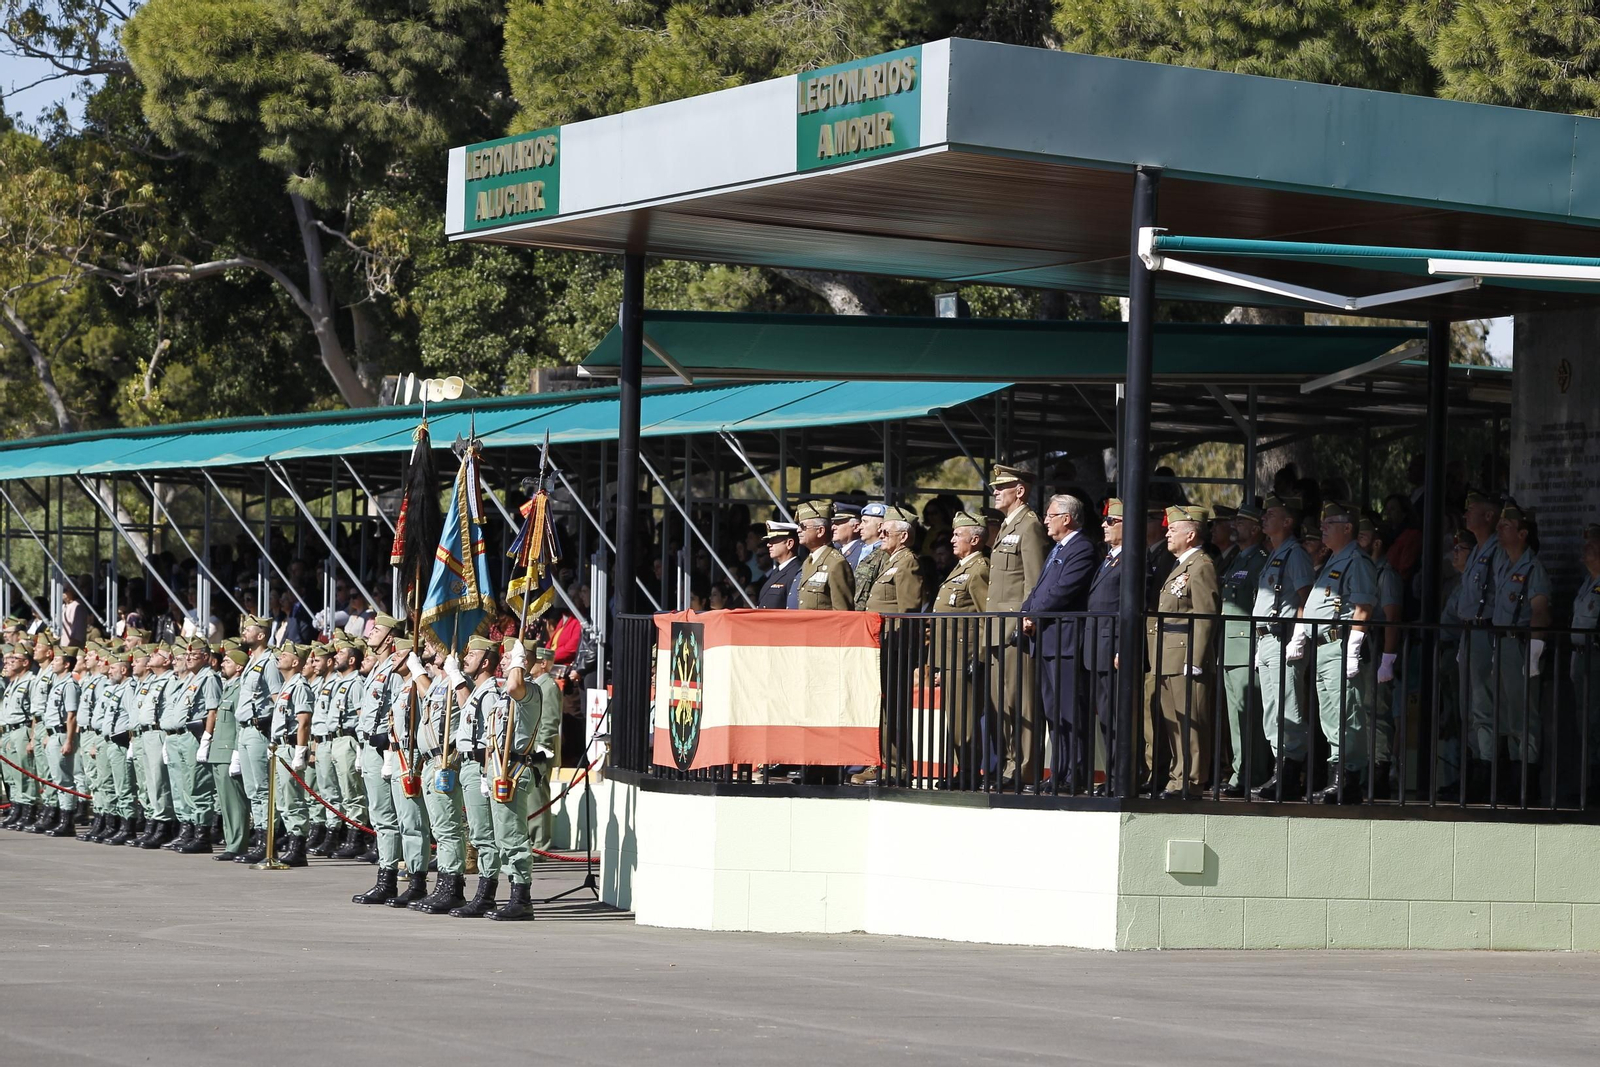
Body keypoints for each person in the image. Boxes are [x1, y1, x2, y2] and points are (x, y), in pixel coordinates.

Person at [1291, 501, 1377, 804]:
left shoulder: (1357, 561)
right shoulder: (1333, 560)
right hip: (1324, 647)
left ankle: (1348, 778)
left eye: (1330, 523)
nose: (1323, 528)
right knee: (1330, 714)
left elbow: (1362, 607)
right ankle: (1335, 776)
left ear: (1348, 528)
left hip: (1341, 644)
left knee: (1346, 712)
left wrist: (1354, 649)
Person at [1020, 494, 1095, 792]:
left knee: (1069, 711)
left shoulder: (1082, 548)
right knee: (1053, 712)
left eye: (1050, 515)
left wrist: (1034, 614)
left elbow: (1064, 590)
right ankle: (1059, 772)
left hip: (1064, 640)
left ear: (1067, 518)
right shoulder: (1057, 549)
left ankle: (1074, 774)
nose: (1045, 520)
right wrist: (1026, 611)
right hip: (1046, 639)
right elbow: (1039, 589)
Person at [482, 637, 559, 921]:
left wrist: (518, 663)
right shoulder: (503, 693)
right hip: (498, 767)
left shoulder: (532, 689)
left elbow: (516, 685)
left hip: (514, 770)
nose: (502, 662)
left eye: (508, 658)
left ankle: (521, 897)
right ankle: (513, 892)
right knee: (502, 836)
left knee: (513, 837)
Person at [985, 465, 1050, 788]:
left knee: (1020, 701)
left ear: (1020, 491)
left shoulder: (1029, 526)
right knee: (1003, 703)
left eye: (1002, 487)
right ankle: (1010, 763)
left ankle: (1024, 768)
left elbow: (1034, 580)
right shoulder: (1010, 526)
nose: (995, 492)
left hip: (1015, 628)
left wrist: (1027, 618)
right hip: (997, 628)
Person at [1147, 505, 1219, 798]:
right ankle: (1178, 776)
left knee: (1190, 721)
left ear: (1190, 535)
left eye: (1172, 529)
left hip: (1185, 655)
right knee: (1174, 721)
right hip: (1167, 654)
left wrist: (1197, 659)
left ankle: (1191, 780)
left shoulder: (1202, 566)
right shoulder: (1180, 566)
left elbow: (1205, 615)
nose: (1167, 533)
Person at [852, 508, 927, 785]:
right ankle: (884, 763)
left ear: (904, 536)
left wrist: (901, 645)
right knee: (883, 708)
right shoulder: (889, 561)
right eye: (880, 530)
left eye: (887, 531)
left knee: (893, 709)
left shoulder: (907, 562)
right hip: (882, 645)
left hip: (895, 646)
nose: (881, 534)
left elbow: (909, 609)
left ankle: (896, 767)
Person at [1251, 496, 1317, 800]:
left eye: (1272, 514)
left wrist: (1299, 636)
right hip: (1265, 639)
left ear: (1288, 522)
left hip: (1283, 637)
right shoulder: (1274, 553)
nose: (1264, 518)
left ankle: (1289, 774)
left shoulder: (1296, 555)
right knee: (1272, 711)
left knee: (1287, 709)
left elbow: (1306, 597)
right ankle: (1280, 770)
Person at [1488, 502, 1551, 803]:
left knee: (1523, 714)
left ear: (1523, 533)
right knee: (1504, 714)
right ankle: (1510, 777)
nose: (1499, 530)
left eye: (1506, 526)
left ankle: (1526, 781)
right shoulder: (1503, 563)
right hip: (1501, 642)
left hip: (1520, 643)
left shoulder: (1532, 568)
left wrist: (1535, 650)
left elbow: (1539, 610)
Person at [403, 639, 469, 915]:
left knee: (448, 828)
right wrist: (418, 671)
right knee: (440, 829)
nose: (428, 648)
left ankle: (452, 887)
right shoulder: (440, 683)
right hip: (430, 760)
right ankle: (443, 884)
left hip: (446, 760)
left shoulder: (457, 680)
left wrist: (455, 674)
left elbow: (467, 706)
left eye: (433, 644)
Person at [444, 636, 507, 917]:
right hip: (468, 764)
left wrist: (484, 774)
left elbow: (491, 736)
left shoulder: (490, 693)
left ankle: (486, 893)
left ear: (485, 662)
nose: (465, 658)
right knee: (478, 832)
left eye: (472, 655)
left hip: (479, 766)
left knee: (483, 834)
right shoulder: (479, 692)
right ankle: (482, 891)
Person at [1452, 490, 1503, 800]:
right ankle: (1473, 765)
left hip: (1486, 632)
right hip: (1469, 632)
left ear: (1489, 516)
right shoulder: (1479, 551)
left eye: (1473, 509)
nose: (1466, 513)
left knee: (1483, 705)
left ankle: (1488, 770)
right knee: (1467, 706)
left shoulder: (1497, 550)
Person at [931, 510, 989, 781]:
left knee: (964, 718)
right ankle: (961, 768)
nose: (952, 539)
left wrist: (977, 657)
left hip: (965, 657)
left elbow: (985, 617)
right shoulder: (961, 567)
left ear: (975, 539)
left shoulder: (978, 569)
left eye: (958, 534)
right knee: (955, 718)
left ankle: (968, 771)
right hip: (951, 656)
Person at [1218, 503, 1270, 798]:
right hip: (1230, 645)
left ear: (1256, 528)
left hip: (1246, 644)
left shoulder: (1260, 560)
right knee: (1236, 716)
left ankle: (1252, 773)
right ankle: (1241, 770)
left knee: (1249, 714)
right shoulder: (1238, 559)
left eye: (1241, 521)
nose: (1234, 525)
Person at [1082, 500, 1124, 795]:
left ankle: (1120, 776)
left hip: (1112, 649)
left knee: (1116, 717)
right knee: (1105, 717)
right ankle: (1111, 774)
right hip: (1097, 647)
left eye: (1110, 521)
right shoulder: (1110, 558)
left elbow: (1128, 606)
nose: (1103, 525)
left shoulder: (1132, 560)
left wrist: (1122, 646)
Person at [234, 615, 282, 864]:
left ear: (261, 635)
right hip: (244, 729)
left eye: (248, 629)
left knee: (263, 789)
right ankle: (261, 838)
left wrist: (275, 731)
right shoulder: (254, 660)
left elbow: (277, 698)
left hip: (258, 729)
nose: (243, 632)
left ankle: (268, 842)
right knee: (253, 789)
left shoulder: (269, 662)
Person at [1362, 518, 1404, 797]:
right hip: (1363, 647)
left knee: (1375, 709)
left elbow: (1391, 618)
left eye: (1363, 534)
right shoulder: (1366, 571)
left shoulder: (1385, 574)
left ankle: (1379, 770)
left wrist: (1388, 659)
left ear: (1376, 542)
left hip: (1376, 647)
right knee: (1362, 710)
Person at [168, 637, 221, 852]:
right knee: (183, 786)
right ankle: (188, 829)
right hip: (180, 736)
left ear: (206, 657)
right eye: (187, 655)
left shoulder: (209, 678)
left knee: (197, 785)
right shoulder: (191, 679)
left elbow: (213, 711)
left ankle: (202, 834)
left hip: (194, 735)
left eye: (194, 655)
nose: (188, 658)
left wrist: (207, 738)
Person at [269, 643, 314, 867]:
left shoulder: (300, 686)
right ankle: (290, 841)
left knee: (293, 799)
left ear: (296, 662)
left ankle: (298, 847)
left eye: (284, 655)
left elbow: (303, 721)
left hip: (290, 746)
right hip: (280, 747)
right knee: (283, 799)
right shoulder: (287, 685)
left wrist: (300, 751)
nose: (280, 657)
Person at [131, 644, 178, 847]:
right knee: (149, 781)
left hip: (158, 732)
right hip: (145, 733)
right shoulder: (152, 681)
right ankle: (155, 821)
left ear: (167, 661)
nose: (151, 656)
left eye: (157, 655)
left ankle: (164, 824)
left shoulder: (169, 680)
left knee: (160, 781)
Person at [209, 646, 252, 861]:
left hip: (228, 752)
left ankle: (237, 844)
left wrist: (236, 750)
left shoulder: (240, 689)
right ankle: (231, 841)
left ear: (239, 667)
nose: (222, 664)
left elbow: (238, 723)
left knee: (235, 802)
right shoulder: (228, 687)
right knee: (225, 801)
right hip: (219, 751)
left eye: (227, 661)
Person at [1571, 524, 1600, 783]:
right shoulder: (1587, 583)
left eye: (1592, 545)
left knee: (1595, 720)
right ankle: (1588, 780)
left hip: (1596, 658)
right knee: (1584, 720)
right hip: (1579, 659)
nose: (1585, 548)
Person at [0, 644, 37, 829]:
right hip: (8, 731)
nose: (9, 662)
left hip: (22, 729)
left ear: (25, 662)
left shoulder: (31, 681)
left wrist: (33, 737)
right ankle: (16, 808)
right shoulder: (12, 682)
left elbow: (35, 714)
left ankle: (28, 810)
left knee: (25, 772)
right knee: (11, 774)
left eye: (15, 659)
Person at [795, 500, 855, 610]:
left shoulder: (836, 564)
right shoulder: (808, 561)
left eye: (803, 526)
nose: (798, 530)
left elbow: (842, 613)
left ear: (820, 531)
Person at [852, 503, 890, 610]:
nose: (860, 526)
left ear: (880, 526)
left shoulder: (885, 554)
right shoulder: (858, 550)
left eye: (865, 521)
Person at [757, 522, 802, 609]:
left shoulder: (797, 572)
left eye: (774, 540)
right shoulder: (777, 571)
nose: (768, 544)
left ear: (789, 544)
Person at [831, 503, 865, 568]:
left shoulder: (862, 552)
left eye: (839, 523)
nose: (833, 527)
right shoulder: (837, 549)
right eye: (833, 523)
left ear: (856, 527)